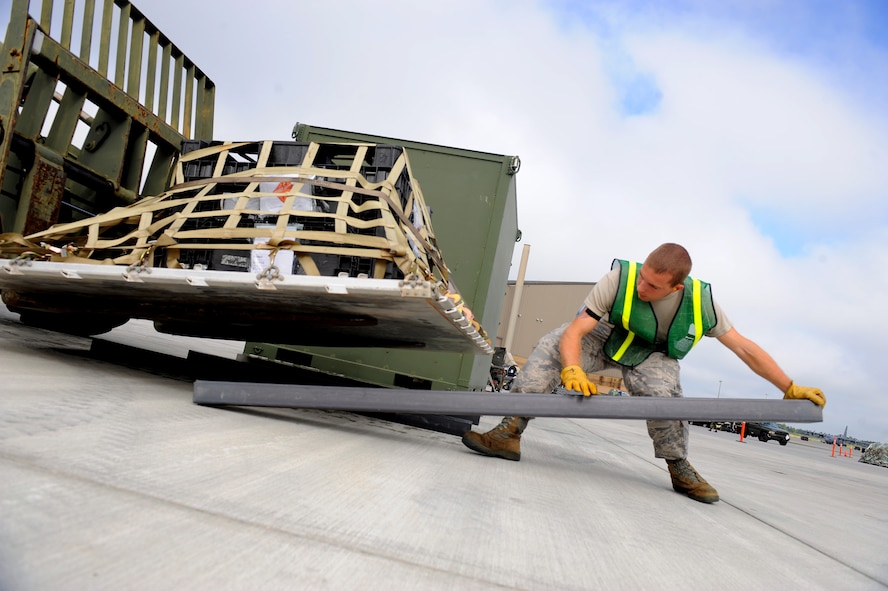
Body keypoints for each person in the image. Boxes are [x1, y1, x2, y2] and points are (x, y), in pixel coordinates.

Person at [462, 243, 826, 503]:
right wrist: (572, 367)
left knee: (666, 400)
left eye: (653, 286)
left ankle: (679, 467)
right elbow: (575, 331)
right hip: (607, 336)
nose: (641, 287)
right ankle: (508, 432)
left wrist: (789, 386)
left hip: (654, 355)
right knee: (551, 348)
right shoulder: (621, 278)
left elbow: (743, 347)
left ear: (676, 287)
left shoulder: (702, 301)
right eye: (644, 278)